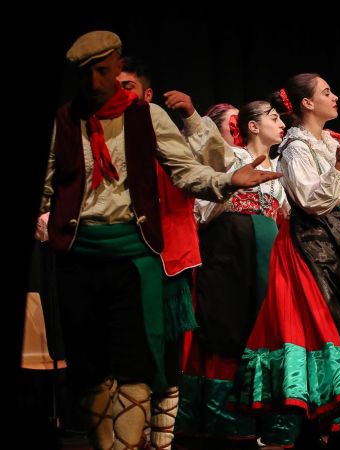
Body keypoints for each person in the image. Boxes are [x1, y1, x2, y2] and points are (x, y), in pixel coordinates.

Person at [43, 30, 280, 450]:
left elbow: (187, 170)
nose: (97, 83)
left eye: (104, 72)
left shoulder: (145, 117)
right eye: (86, 74)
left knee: (140, 362)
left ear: (117, 68)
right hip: (79, 254)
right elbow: (50, 182)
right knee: (90, 367)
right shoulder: (66, 120)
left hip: (138, 254)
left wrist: (228, 180)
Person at [233, 73, 340, 448]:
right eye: (326, 92)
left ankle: (325, 424)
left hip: (331, 244)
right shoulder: (295, 148)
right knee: (311, 329)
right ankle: (300, 424)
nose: (335, 96)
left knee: (334, 330)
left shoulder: (327, 143)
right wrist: (339, 168)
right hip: (304, 248)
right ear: (308, 104)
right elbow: (311, 200)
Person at [177, 100, 288, 443]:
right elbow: (208, 151)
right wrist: (191, 114)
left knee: (264, 328)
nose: (281, 122)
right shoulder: (233, 157)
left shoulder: (282, 166)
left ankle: (265, 414)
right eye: (273, 117)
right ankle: (224, 415)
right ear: (252, 126)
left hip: (267, 252)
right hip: (230, 250)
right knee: (228, 324)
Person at [118, 56, 207, 450]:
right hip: (123, 260)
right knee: (128, 351)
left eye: (127, 87)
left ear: (147, 95)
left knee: (168, 352)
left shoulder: (168, 132)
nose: (118, 96)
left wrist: (192, 117)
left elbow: (205, 168)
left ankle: (163, 439)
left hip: (169, 257)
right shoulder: (100, 136)